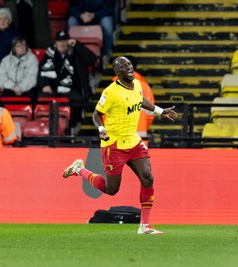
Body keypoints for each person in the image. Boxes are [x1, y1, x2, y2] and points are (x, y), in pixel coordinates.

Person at [62, 56, 178, 234]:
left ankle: (144, 226)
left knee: (148, 177)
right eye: (124, 66)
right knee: (111, 189)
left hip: (133, 140)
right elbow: (96, 114)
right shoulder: (111, 92)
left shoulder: (137, 84)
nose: (129, 68)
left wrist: (160, 111)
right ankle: (79, 169)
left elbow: (140, 100)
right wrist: (101, 128)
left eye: (130, 64)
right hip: (114, 144)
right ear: (117, 72)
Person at [37, 30, 97, 127]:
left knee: (78, 99)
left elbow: (92, 59)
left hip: (72, 87)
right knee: (41, 96)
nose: (62, 44)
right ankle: (44, 125)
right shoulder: (50, 53)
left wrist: (77, 44)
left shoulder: (75, 53)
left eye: (65, 41)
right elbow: (42, 71)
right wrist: (45, 84)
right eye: (59, 41)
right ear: (55, 43)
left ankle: (74, 125)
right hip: (53, 87)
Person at [112, 56, 155, 137]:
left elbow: (104, 114)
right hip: (140, 136)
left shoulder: (112, 87)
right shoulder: (145, 87)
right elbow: (150, 115)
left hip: (117, 136)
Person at [0, 36, 39, 101]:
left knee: (32, 96)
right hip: (10, 88)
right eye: (18, 46)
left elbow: (32, 77)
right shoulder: (6, 60)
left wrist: (20, 88)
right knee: (4, 99)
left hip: (28, 88)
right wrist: (13, 87)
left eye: (24, 45)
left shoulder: (32, 59)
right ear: (14, 48)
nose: (22, 48)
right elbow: (1, 77)